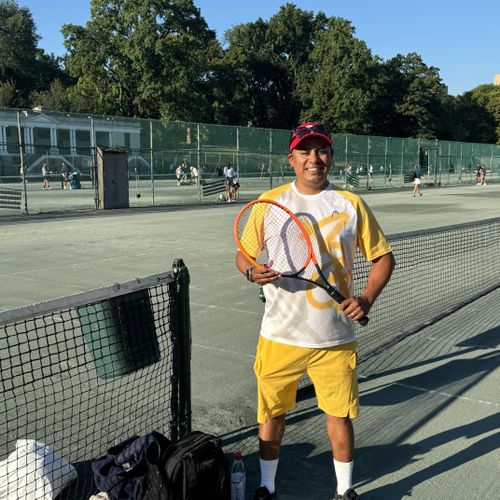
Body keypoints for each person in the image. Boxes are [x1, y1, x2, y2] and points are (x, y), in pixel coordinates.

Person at [235, 122, 395, 500]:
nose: (313, 159)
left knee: (338, 415)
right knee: (271, 416)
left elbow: (383, 257)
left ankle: (344, 491)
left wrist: (367, 298)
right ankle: (266, 485)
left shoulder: (351, 204)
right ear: (291, 159)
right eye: (304, 151)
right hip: (279, 335)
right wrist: (250, 271)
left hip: (335, 337)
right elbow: (243, 254)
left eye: (321, 151)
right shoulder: (268, 204)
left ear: (331, 157)